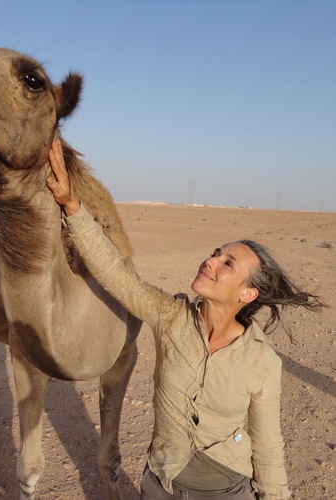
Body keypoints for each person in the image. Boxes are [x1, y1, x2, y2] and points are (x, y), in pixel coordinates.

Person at [46, 139, 326, 499]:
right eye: (215, 253)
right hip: (161, 484)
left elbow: (269, 447)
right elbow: (116, 274)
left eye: (228, 264)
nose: (211, 261)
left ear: (247, 294)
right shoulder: (171, 317)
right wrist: (71, 205)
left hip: (227, 490)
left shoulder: (261, 360)